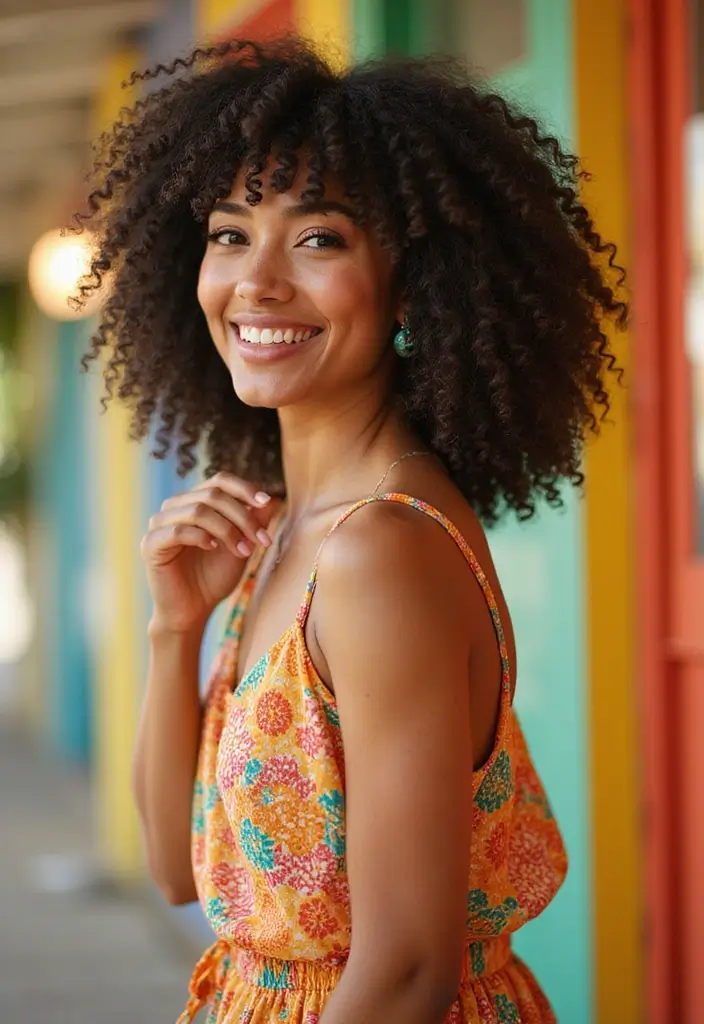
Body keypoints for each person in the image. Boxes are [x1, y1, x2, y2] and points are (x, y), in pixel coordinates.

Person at [78, 36, 626, 1024]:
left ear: (412, 283)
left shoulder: (382, 552)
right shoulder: (284, 533)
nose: (255, 280)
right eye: (229, 232)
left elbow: (408, 971)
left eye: (318, 238)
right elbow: (173, 870)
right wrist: (175, 630)